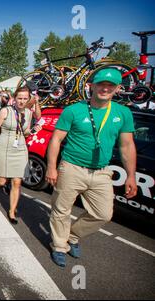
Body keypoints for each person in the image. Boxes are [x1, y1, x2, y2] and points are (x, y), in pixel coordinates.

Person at [45, 68, 137, 268]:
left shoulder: (123, 113)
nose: (105, 88)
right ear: (92, 86)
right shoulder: (73, 110)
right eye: (101, 84)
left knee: (103, 214)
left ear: (117, 89)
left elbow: (127, 145)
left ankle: (72, 235)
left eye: (110, 85)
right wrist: (51, 167)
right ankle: (59, 246)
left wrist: (131, 176)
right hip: (71, 167)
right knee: (61, 209)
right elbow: (56, 139)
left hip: (102, 171)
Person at [0, 86, 33, 224]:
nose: (22, 101)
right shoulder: (5, 111)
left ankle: (12, 211)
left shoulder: (29, 113)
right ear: (14, 98)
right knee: (2, 181)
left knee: (17, 182)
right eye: (19, 98)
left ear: (28, 99)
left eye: (25, 98)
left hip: (21, 148)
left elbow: (26, 131)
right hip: (5, 147)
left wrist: (33, 130)